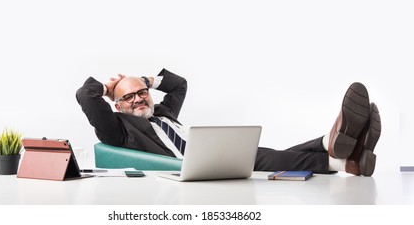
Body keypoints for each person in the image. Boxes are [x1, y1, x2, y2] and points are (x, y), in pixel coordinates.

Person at [76, 68, 381, 176]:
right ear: (116, 105)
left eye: (142, 93)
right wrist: (107, 88)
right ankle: (339, 158)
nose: (139, 98)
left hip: (207, 152)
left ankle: (339, 151)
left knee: (266, 153)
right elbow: (84, 95)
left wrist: (143, 79)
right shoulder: (119, 129)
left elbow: (179, 84)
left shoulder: (164, 113)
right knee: (258, 157)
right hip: (189, 163)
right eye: (129, 97)